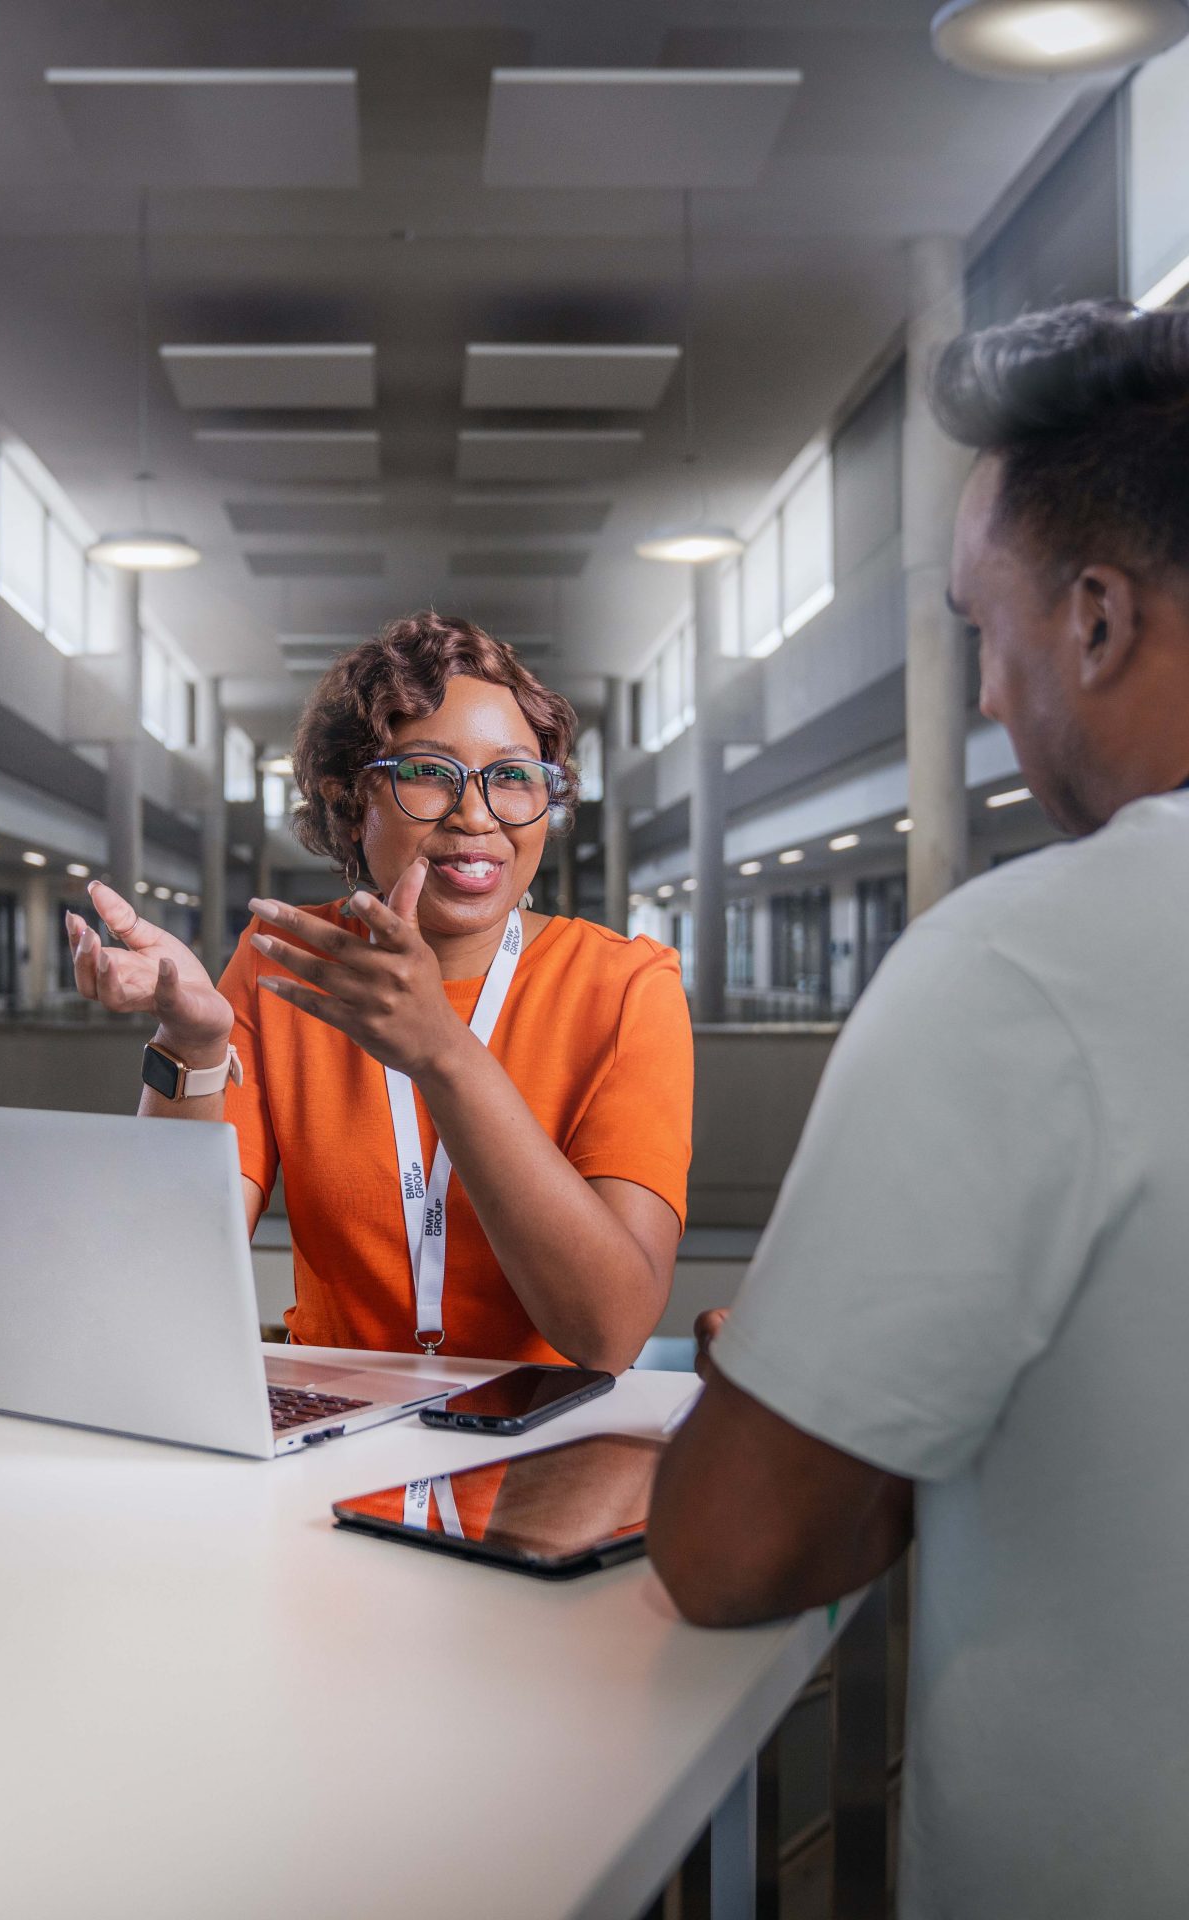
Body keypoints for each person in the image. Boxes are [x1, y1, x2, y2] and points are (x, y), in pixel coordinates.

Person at [648, 301, 1189, 1918]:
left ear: (1093, 620)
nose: (982, 698)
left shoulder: (1029, 962)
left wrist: (798, 1367)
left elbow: (737, 1543)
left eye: (982, 628)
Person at [67, 612, 692, 1370]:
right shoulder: (283, 965)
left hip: (543, 1453)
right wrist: (194, 1048)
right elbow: (166, 1273)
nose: (475, 814)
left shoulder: (626, 986)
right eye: (429, 772)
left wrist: (442, 1052)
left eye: (513, 776)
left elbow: (609, 1331)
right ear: (349, 798)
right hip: (331, 1445)